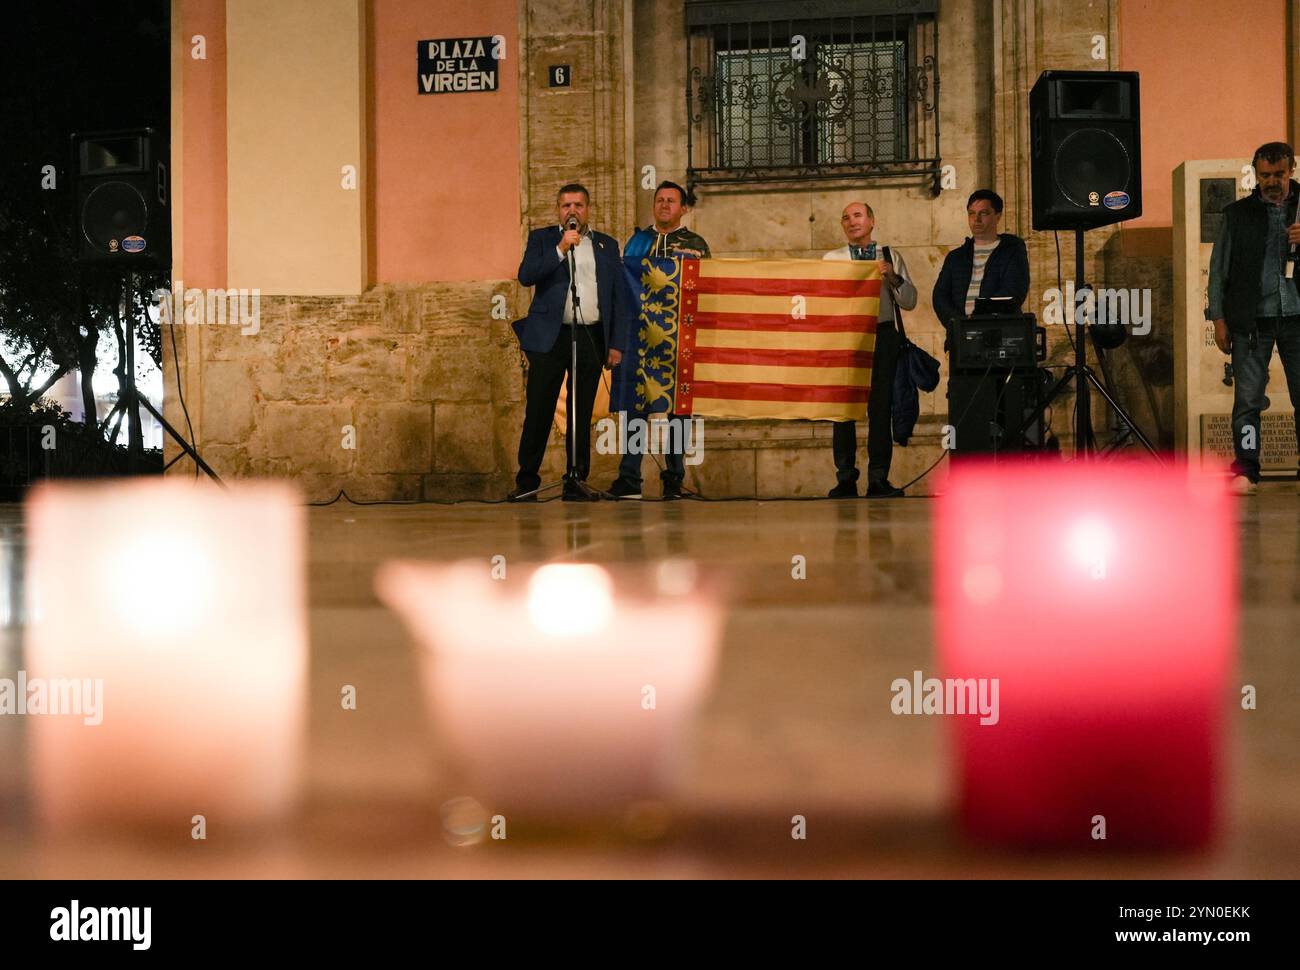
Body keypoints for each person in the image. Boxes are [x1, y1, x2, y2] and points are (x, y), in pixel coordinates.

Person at [509, 183, 632, 502]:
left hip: (590, 335)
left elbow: (618, 298)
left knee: (581, 410)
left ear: (588, 210)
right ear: (558, 211)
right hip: (551, 337)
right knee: (539, 408)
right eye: (566, 206)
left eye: (578, 205)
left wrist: (616, 344)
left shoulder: (606, 245)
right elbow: (526, 276)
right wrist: (561, 248)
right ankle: (527, 481)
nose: (572, 211)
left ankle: (575, 479)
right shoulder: (543, 239)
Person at [607, 180, 711, 501]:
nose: (665, 205)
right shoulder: (637, 242)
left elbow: (707, 287)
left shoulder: (696, 243)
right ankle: (629, 478)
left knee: (679, 411)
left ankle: (674, 479)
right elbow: (624, 289)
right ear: (654, 206)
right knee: (636, 408)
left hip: (682, 337)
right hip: (640, 338)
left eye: (671, 201)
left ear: (683, 208)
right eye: (660, 200)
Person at [1208, 141, 1300, 493]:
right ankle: (1246, 468)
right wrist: (1218, 318)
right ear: (1255, 173)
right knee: (1247, 400)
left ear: (1290, 169)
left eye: (1279, 173)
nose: (1272, 181)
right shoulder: (1237, 214)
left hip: (1297, 315)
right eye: (1265, 175)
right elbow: (1219, 272)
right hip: (1251, 320)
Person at [823, 201, 917, 497]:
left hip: (882, 336)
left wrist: (891, 275)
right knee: (844, 410)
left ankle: (878, 478)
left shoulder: (889, 256)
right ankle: (846, 478)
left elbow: (910, 300)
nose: (851, 222)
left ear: (872, 221)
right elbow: (821, 299)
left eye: (857, 215)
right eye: (845, 217)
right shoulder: (832, 258)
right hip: (846, 338)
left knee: (881, 408)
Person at [932, 189, 1030, 340]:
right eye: (971, 213)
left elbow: (1014, 290)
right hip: (961, 336)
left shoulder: (1012, 250)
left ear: (997, 216)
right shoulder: (956, 257)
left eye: (983, 213)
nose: (976, 219)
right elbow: (940, 296)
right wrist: (959, 323)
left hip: (1000, 334)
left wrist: (979, 319)